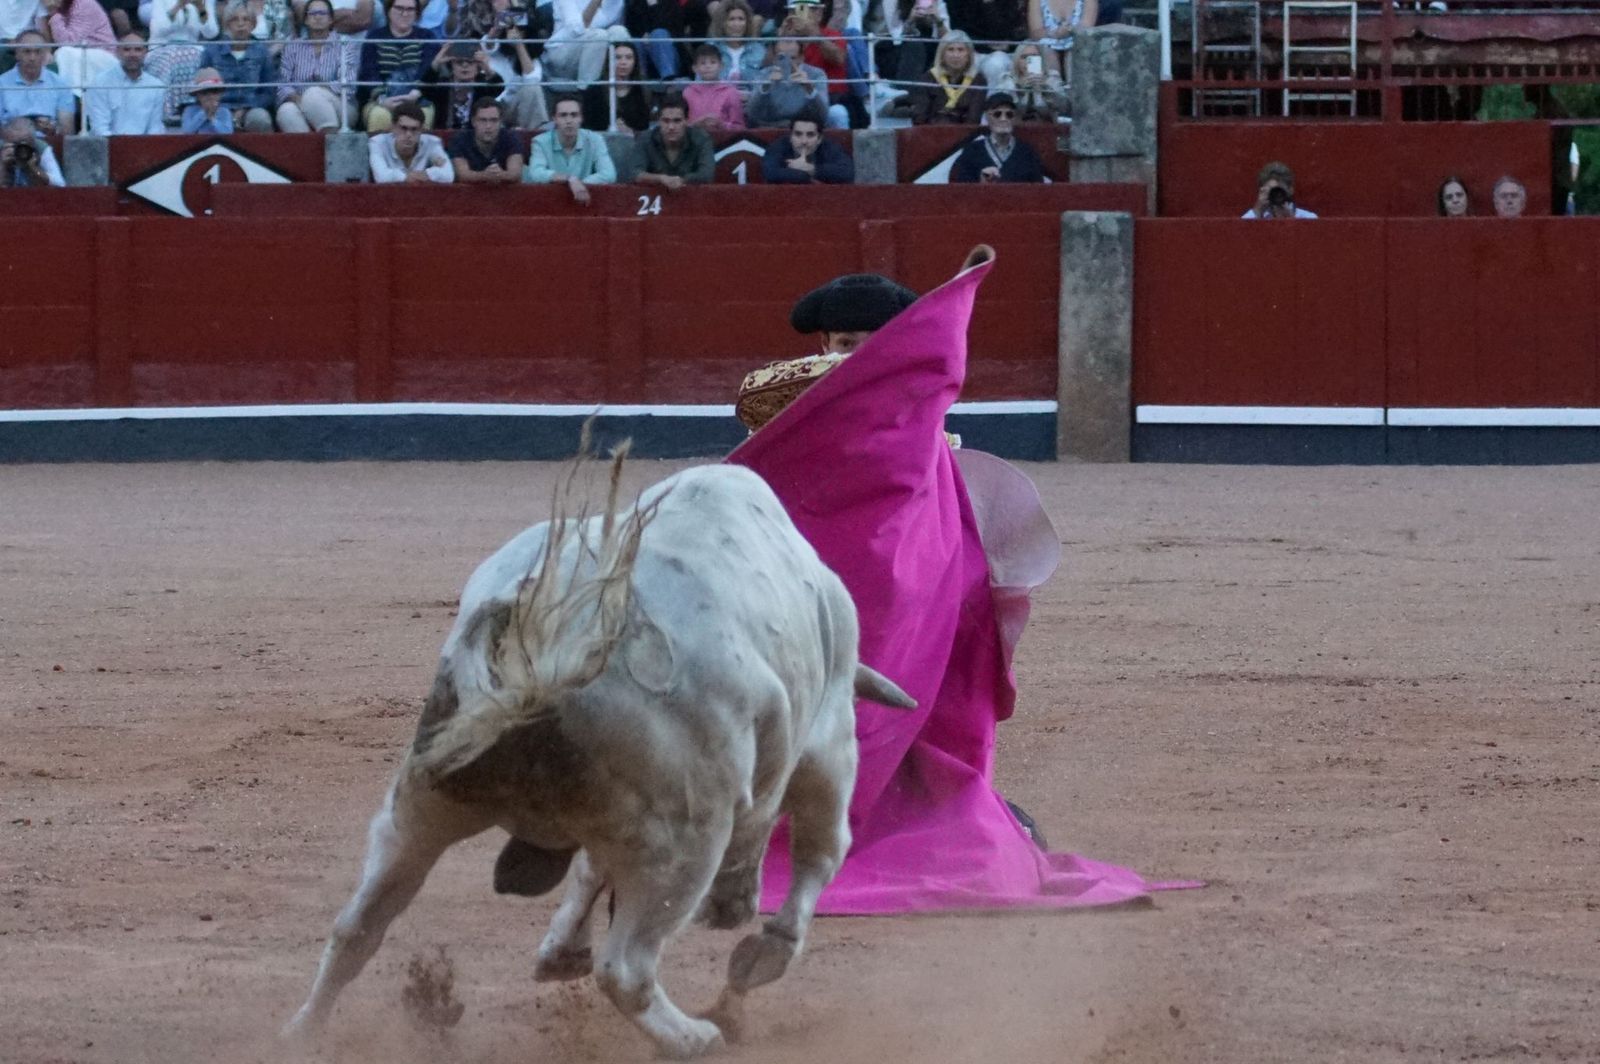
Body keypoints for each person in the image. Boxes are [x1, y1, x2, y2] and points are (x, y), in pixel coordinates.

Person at [724, 256, 1183, 915]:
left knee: (920, 696)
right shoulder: (798, 417)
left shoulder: (916, 409)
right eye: (837, 344)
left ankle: (937, 810)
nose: (845, 357)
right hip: (820, 580)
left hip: (910, 581)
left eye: (862, 345)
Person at [355, 0, 439, 131]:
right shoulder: (374, 36)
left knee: (421, 117)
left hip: (418, 100)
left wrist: (414, 96)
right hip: (381, 100)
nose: (404, 13)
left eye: (410, 9)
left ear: (417, 14)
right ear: (388, 10)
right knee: (379, 116)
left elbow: (427, 70)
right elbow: (369, 72)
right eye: (399, 8)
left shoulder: (427, 36)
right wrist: (383, 99)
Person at [275, 0, 356, 133]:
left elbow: (349, 84)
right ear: (306, 20)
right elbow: (282, 84)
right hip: (299, 102)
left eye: (322, 13)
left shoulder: (345, 44)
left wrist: (318, 92)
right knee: (286, 110)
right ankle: (309, 152)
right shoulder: (292, 47)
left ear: (331, 19)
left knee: (313, 95)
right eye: (313, 13)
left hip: (341, 106)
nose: (317, 17)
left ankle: (333, 142)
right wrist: (299, 99)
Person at [200, 1, 276, 130]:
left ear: (253, 25)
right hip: (219, 106)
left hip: (252, 108)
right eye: (235, 19)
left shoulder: (262, 52)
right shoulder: (212, 51)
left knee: (260, 119)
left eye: (246, 19)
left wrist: (246, 109)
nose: (241, 24)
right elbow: (202, 87)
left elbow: (269, 91)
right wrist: (218, 107)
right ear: (227, 24)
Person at [525, 91, 613, 202]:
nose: (569, 121)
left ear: (581, 118)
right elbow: (535, 173)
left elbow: (609, 174)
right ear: (554, 119)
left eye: (574, 115)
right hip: (549, 201)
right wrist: (570, 179)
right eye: (563, 115)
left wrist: (579, 184)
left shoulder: (595, 140)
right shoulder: (540, 141)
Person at [145, 0, 219, 127]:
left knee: (203, 57)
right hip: (161, 48)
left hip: (192, 48)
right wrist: (178, 6)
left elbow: (211, 33)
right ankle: (169, 113)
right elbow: (159, 29)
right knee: (175, 57)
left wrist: (201, 8)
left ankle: (197, 111)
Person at [949, 92, 1042, 182]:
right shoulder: (972, 150)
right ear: (987, 117)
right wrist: (981, 181)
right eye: (997, 114)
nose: (1003, 119)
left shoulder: (1027, 152)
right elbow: (962, 189)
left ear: (1014, 118)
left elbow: (1038, 190)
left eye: (1009, 114)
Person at [86, 31, 166, 134]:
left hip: (144, 147)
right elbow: (100, 128)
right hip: (109, 146)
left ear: (146, 53)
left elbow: (155, 127)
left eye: (138, 50)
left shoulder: (156, 86)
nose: (132, 54)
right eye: (127, 49)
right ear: (117, 52)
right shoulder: (100, 83)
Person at [744, 31, 828, 129]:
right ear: (774, 58)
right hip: (770, 126)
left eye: (792, 58)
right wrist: (766, 86)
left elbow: (824, 115)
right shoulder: (764, 74)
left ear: (802, 57)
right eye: (782, 58)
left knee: (838, 112)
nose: (788, 63)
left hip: (803, 129)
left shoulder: (817, 74)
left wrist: (808, 87)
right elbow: (752, 114)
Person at [628, 94, 713, 189]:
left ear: (687, 121)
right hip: (653, 200)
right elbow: (634, 173)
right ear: (658, 121)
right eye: (666, 121)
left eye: (677, 121)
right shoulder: (645, 139)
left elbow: (706, 174)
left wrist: (681, 180)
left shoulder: (701, 139)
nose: (671, 127)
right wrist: (660, 179)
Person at [0, 30, 75, 133]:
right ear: (17, 54)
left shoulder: (61, 84)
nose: (32, 58)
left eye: (38, 52)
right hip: (11, 144)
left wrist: (54, 129)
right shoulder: (2, 84)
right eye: (27, 51)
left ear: (45, 54)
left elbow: (67, 130)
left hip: (49, 143)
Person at [39, 0, 118, 96]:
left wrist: (53, 13)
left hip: (104, 56)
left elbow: (67, 42)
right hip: (82, 55)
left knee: (65, 52)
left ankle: (75, 96)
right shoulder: (43, 5)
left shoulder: (84, 4)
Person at [422, 40, 505, 132]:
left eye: (470, 62)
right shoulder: (444, 85)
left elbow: (499, 87)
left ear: (478, 67)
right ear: (452, 66)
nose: (465, 65)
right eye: (459, 62)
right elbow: (425, 89)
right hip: (445, 139)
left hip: (475, 139)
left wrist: (487, 67)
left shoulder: (482, 85)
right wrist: (436, 62)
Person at [544, 0, 628, 89]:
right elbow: (576, 29)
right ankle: (587, 95)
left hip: (597, 48)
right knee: (598, 36)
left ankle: (620, 94)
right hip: (563, 50)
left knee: (619, 32)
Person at [910, 28, 984, 125]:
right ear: (942, 55)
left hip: (965, 135)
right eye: (950, 49)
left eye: (961, 50)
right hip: (931, 133)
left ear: (969, 55)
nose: (956, 55)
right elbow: (920, 116)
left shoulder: (978, 80)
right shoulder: (929, 78)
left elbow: (974, 119)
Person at [368, 97, 452, 180]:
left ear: (421, 130)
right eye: (403, 128)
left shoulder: (432, 143)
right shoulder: (378, 143)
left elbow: (448, 175)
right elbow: (382, 177)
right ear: (393, 128)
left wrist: (426, 174)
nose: (409, 134)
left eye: (414, 129)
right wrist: (422, 175)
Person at [760, 111, 851, 183]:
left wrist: (812, 169)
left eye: (810, 135)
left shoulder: (829, 147)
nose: (804, 141)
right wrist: (802, 174)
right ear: (790, 137)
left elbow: (847, 172)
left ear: (819, 139)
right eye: (798, 134)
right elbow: (770, 173)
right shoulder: (778, 146)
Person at [447, 94, 522, 181]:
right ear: (473, 121)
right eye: (483, 120)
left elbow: (515, 173)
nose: (488, 126)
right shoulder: (460, 139)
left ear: (500, 122)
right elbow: (462, 175)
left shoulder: (511, 138)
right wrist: (485, 175)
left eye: (494, 120)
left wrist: (499, 174)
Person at [580, 39, 648, 133]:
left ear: (635, 62)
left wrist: (631, 132)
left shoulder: (641, 90)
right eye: (617, 57)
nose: (623, 62)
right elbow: (586, 127)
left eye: (628, 57)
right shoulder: (594, 90)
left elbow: (645, 127)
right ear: (609, 60)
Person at [994, 40, 1063, 122]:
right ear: (1017, 60)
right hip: (1015, 126)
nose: (1028, 61)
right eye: (1024, 57)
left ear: (1041, 59)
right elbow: (1001, 108)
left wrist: (1046, 89)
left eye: (1034, 56)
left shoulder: (1052, 77)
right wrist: (1019, 90)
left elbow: (1064, 108)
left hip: (1047, 126)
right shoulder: (1006, 78)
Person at [1026, 0, 1094, 81]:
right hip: (1048, 39)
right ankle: (1053, 82)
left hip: (1075, 38)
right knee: (1045, 46)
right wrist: (1055, 33)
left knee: (1075, 45)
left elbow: (1087, 27)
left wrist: (1069, 30)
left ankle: (1073, 84)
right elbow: (1035, 32)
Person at [683, 43, 744, 133]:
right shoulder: (688, 92)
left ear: (721, 66)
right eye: (703, 63)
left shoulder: (731, 92)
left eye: (713, 62)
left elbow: (740, 127)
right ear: (695, 68)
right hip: (695, 141)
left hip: (724, 139)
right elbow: (681, 124)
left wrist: (721, 124)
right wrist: (696, 124)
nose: (708, 66)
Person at [712, 0, 765, 91]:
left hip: (751, 102)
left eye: (741, 19)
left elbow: (765, 87)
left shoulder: (760, 50)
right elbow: (701, 84)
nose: (737, 24)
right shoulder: (711, 48)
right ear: (722, 23)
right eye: (731, 19)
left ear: (747, 22)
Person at [622, 0, 682, 81]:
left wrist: (654, 6)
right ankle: (640, 81)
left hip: (668, 52)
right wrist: (643, 35)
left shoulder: (671, 3)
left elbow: (673, 29)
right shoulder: (634, 4)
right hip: (643, 48)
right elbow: (630, 28)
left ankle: (669, 80)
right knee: (636, 42)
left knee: (658, 34)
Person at [1, 112, 64, 184]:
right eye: (15, 144)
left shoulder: (41, 148)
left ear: (33, 140)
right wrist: (3, 166)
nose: (21, 149)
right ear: (6, 140)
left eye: (25, 143)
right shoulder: (2, 149)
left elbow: (60, 184)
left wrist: (34, 169)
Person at [1242, 159, 1316, 219]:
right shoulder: (1256, 217)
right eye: (1272, 190)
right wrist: (1258, 210)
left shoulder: (1308, 218)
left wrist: (1291, 221)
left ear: (1290, 189)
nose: (1277, 194)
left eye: (1279, 190)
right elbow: (1241, 232)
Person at [180, 63, 234, 128]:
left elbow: (227, 133)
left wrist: (213, 120)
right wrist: (204, 113)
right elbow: (187, 132)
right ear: (197, 95)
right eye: (205, 93)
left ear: (220, 94)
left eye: (215, 92)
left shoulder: (224, 111)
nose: (210, 96)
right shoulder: (189, 111)